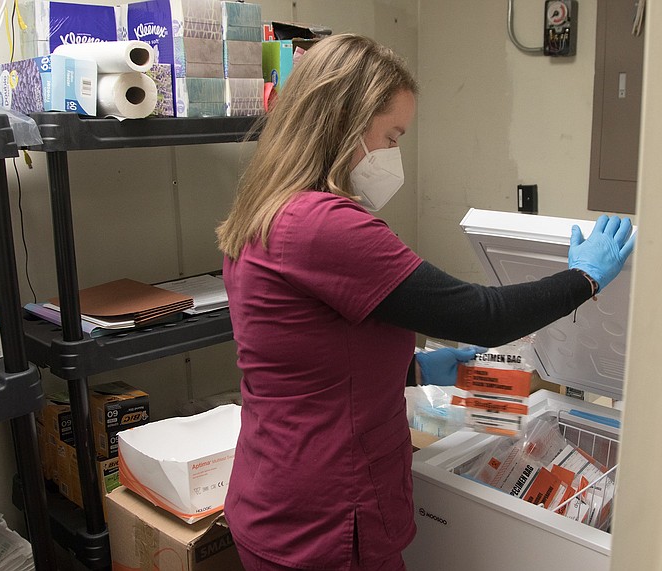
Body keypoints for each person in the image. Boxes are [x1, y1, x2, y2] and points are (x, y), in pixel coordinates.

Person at [215, 33, 635, 571]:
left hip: (273, 497)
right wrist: (585, 277)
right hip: (326, 523)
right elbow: (483, 316)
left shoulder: (267, 211)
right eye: (391, 135)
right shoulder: (324, 225)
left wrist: (413, 370)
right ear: (345, 122)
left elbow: (305, 356)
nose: (394, 153)